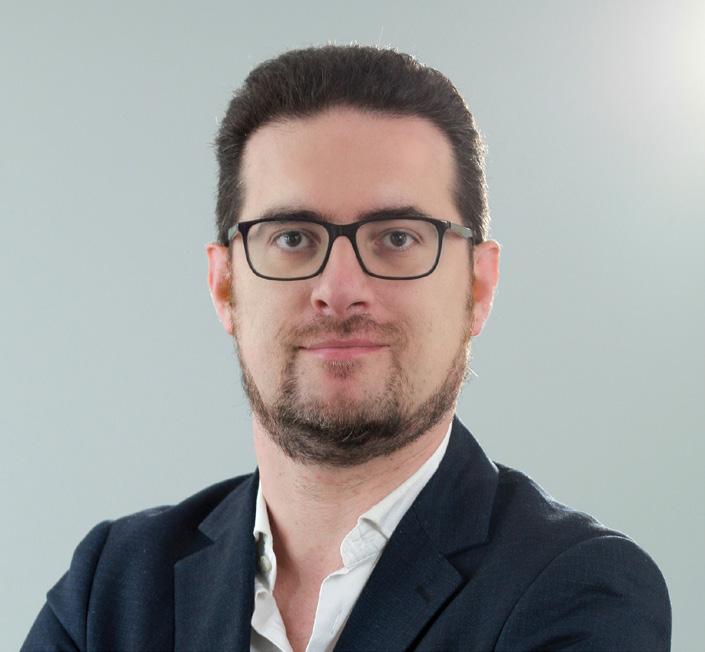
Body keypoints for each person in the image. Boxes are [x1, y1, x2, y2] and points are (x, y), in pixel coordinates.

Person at [23, 45, 671, 652]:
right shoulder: (111, 584)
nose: (340, 291)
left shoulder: (580, 589)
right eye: (292, 238)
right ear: (224, 285)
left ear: (477, 286)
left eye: (396, 237)